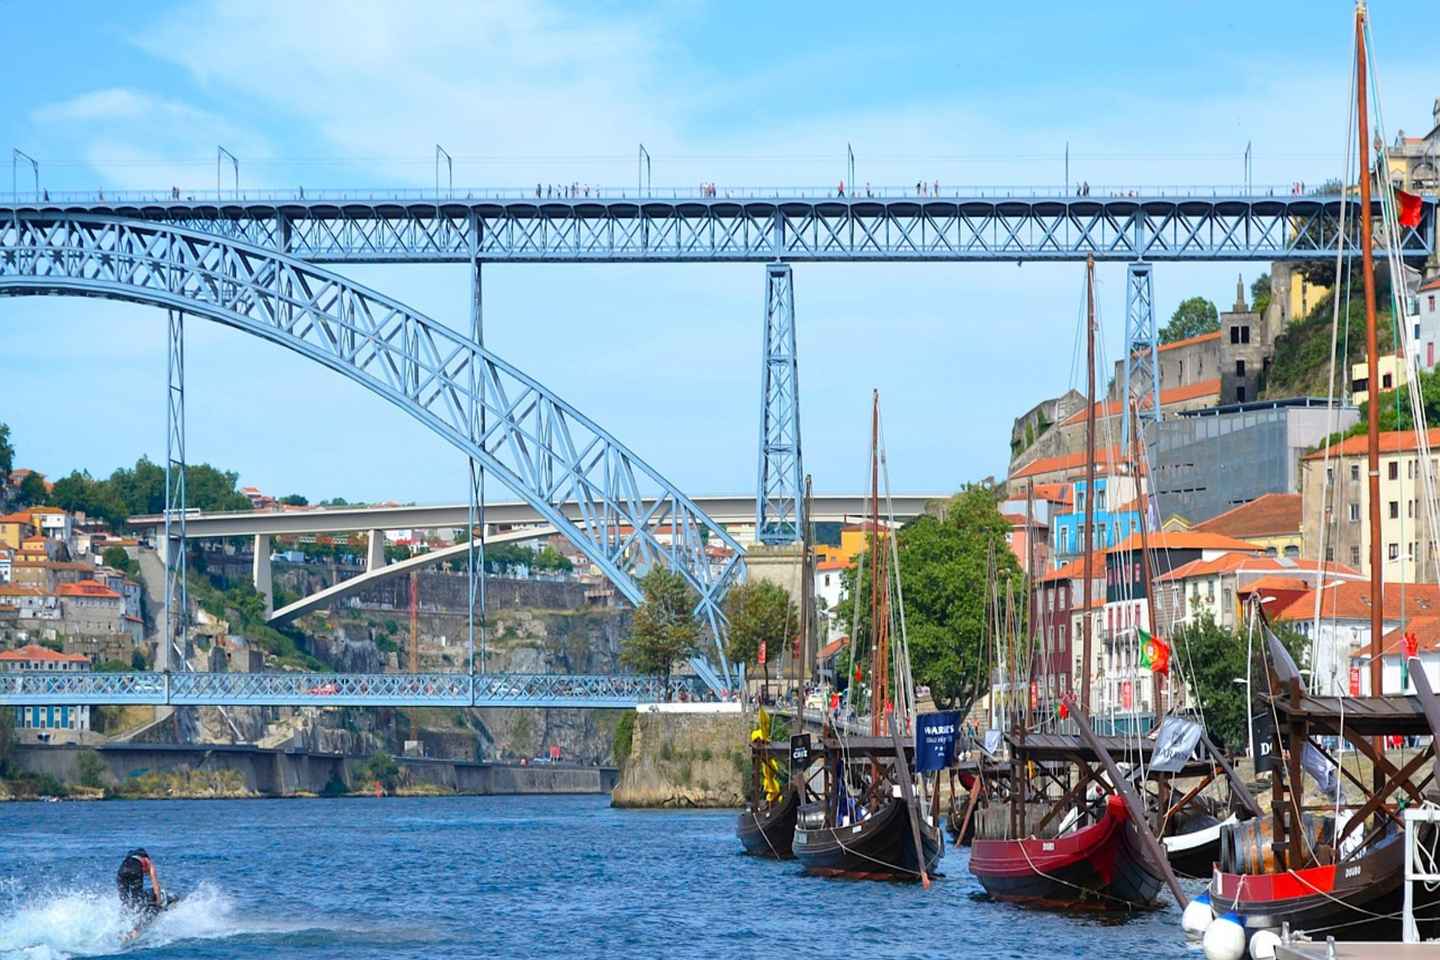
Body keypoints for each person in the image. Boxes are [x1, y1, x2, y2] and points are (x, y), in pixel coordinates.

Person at [116, 849, 164, 915]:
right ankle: (140, 918)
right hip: (135, 870)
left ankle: (123, 917)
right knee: (137, 898)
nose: (145, 874)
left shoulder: (129, 859)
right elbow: (156, 885)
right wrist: (159, 903)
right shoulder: (148, 861)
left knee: (124, 899)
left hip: (121, 870)